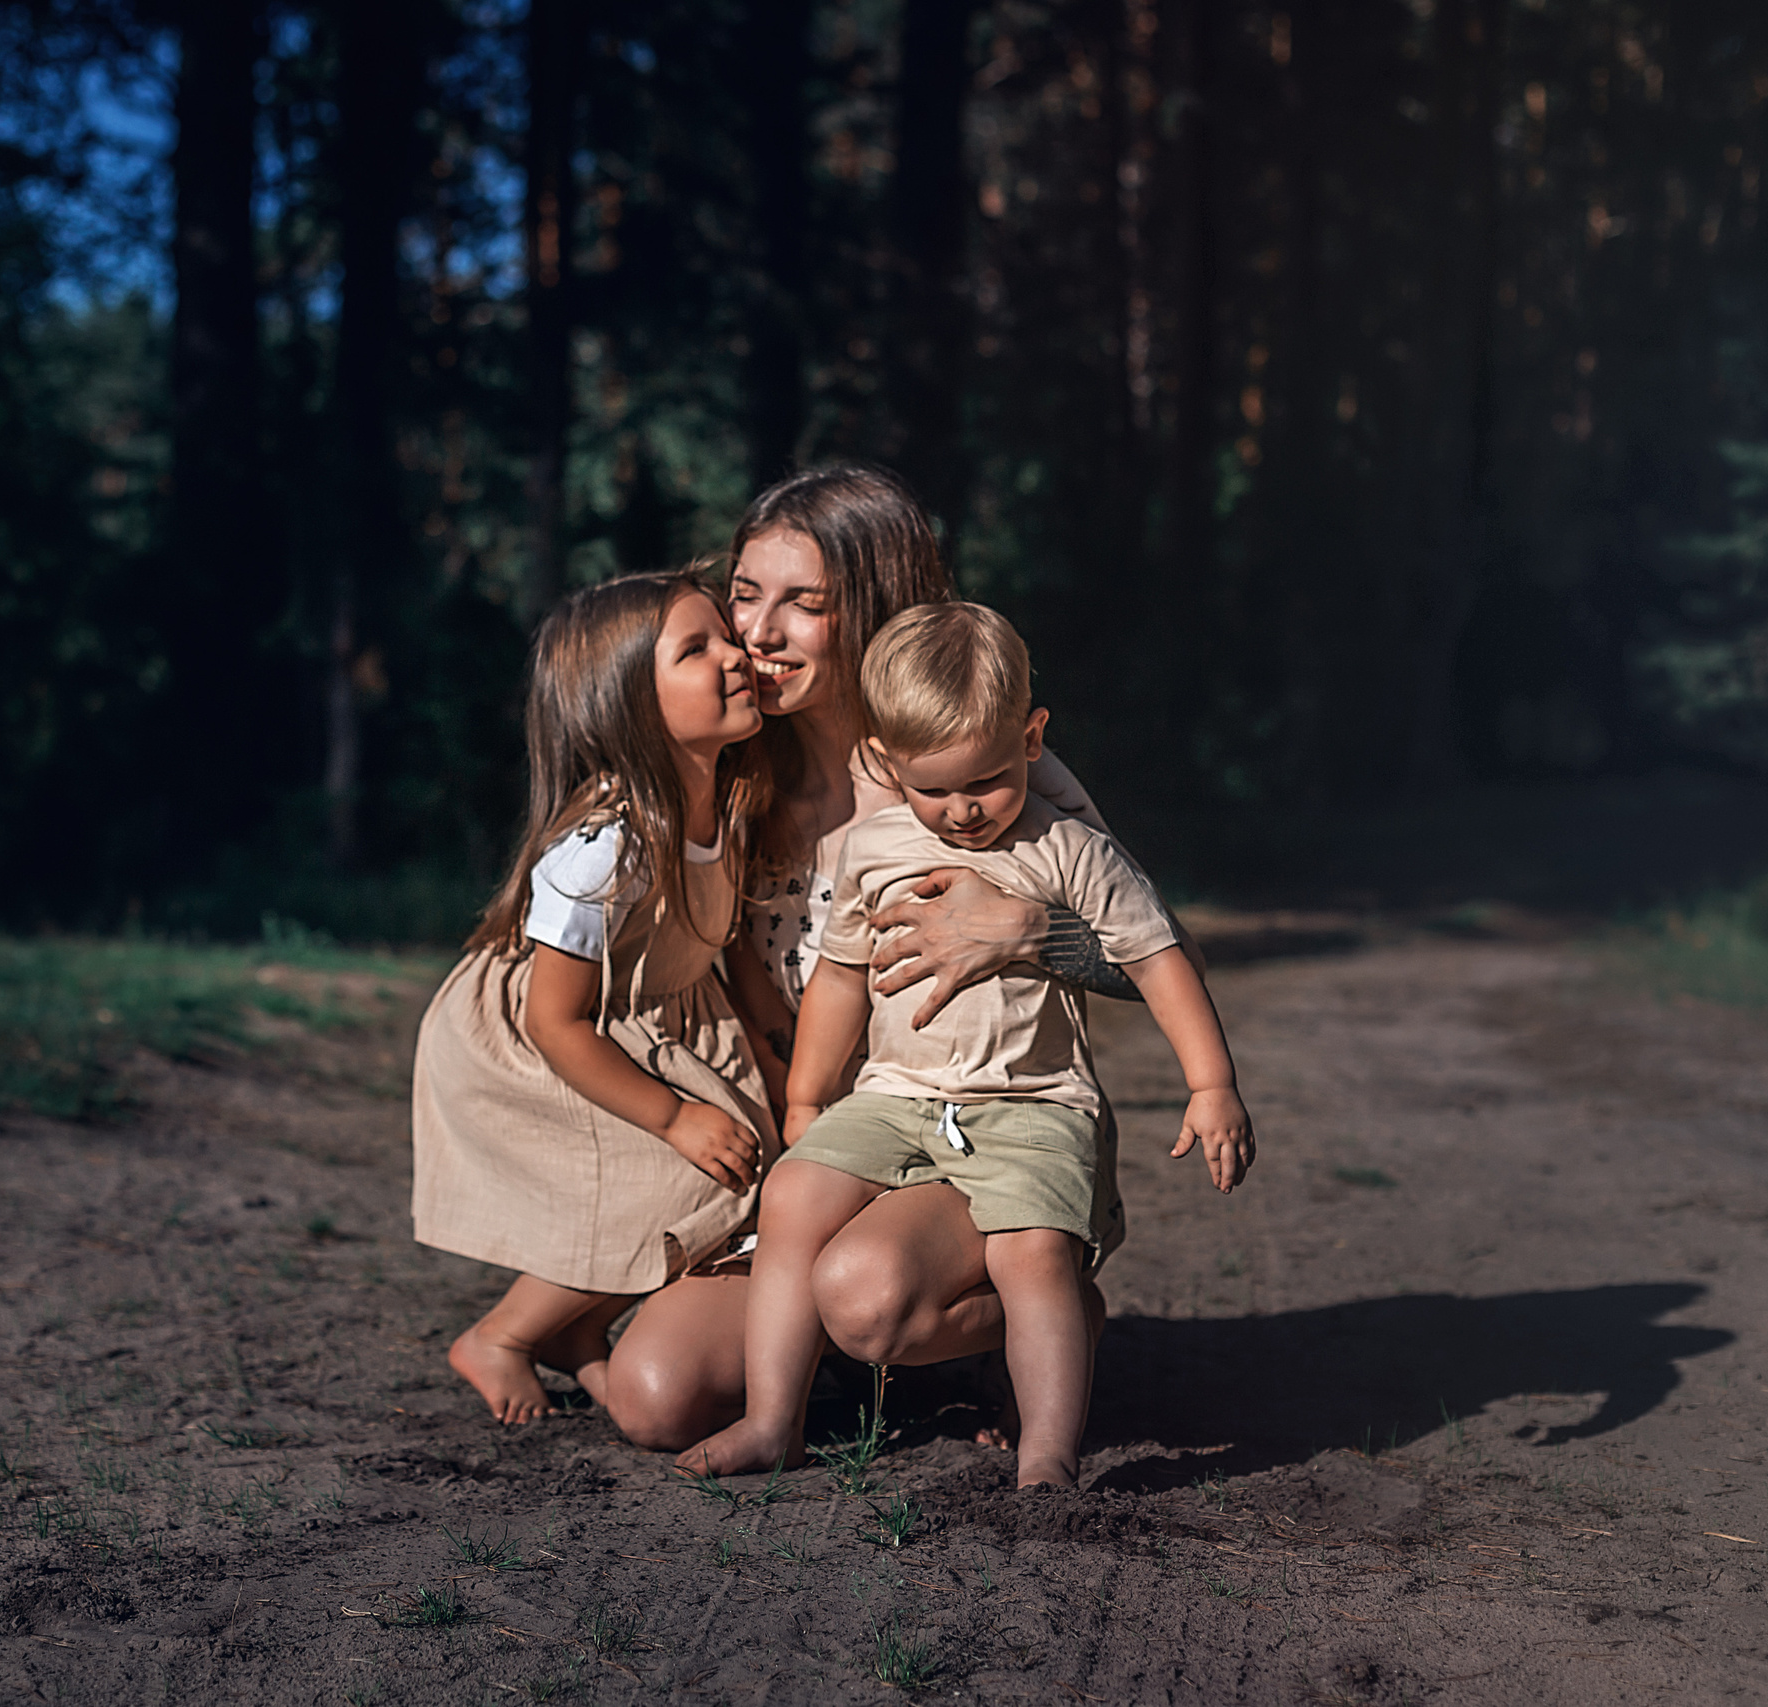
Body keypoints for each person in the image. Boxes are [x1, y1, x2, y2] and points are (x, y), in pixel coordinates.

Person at [596, 463, 1200, 1456]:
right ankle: (841, 1365)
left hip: (978, 1132)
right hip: (824, 1153)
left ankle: (1033, 1303)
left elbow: (1161, 954)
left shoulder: (987, 770)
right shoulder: (735, 763)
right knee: (651, 1396)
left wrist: (1034, 934)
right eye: (745, 595)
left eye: (803, 604)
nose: (758, 630)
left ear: (872, 610)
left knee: (867, 1298)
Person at [679, 603, 1255, 1486]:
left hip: (1032, 1104)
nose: (961, 811)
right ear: (883, 761)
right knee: (792, 1191)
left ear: (1032, 739)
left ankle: (1048, 1457)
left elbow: (1162, 960)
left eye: (984, 780)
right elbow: (839, 977)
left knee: (1030, 1252)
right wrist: (806, 1094)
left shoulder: (1070, 849)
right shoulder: (872, 848)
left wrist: (1210, 1083)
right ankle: (771, 1423)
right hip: (896, 1097)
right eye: (932, 788)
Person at [411, 570, 776, 1428]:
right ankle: (502, 1336)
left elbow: (716, 947)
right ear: (630, 707)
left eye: (727, 635)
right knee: (655, 1184)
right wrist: (673, 1115)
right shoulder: (604, 852)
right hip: (549, 1034)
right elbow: (554, 1018)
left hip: (644, 1015)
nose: (736, 655)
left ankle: (581, 1336)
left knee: (710, 1172)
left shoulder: (725, 799)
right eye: (699, 649)